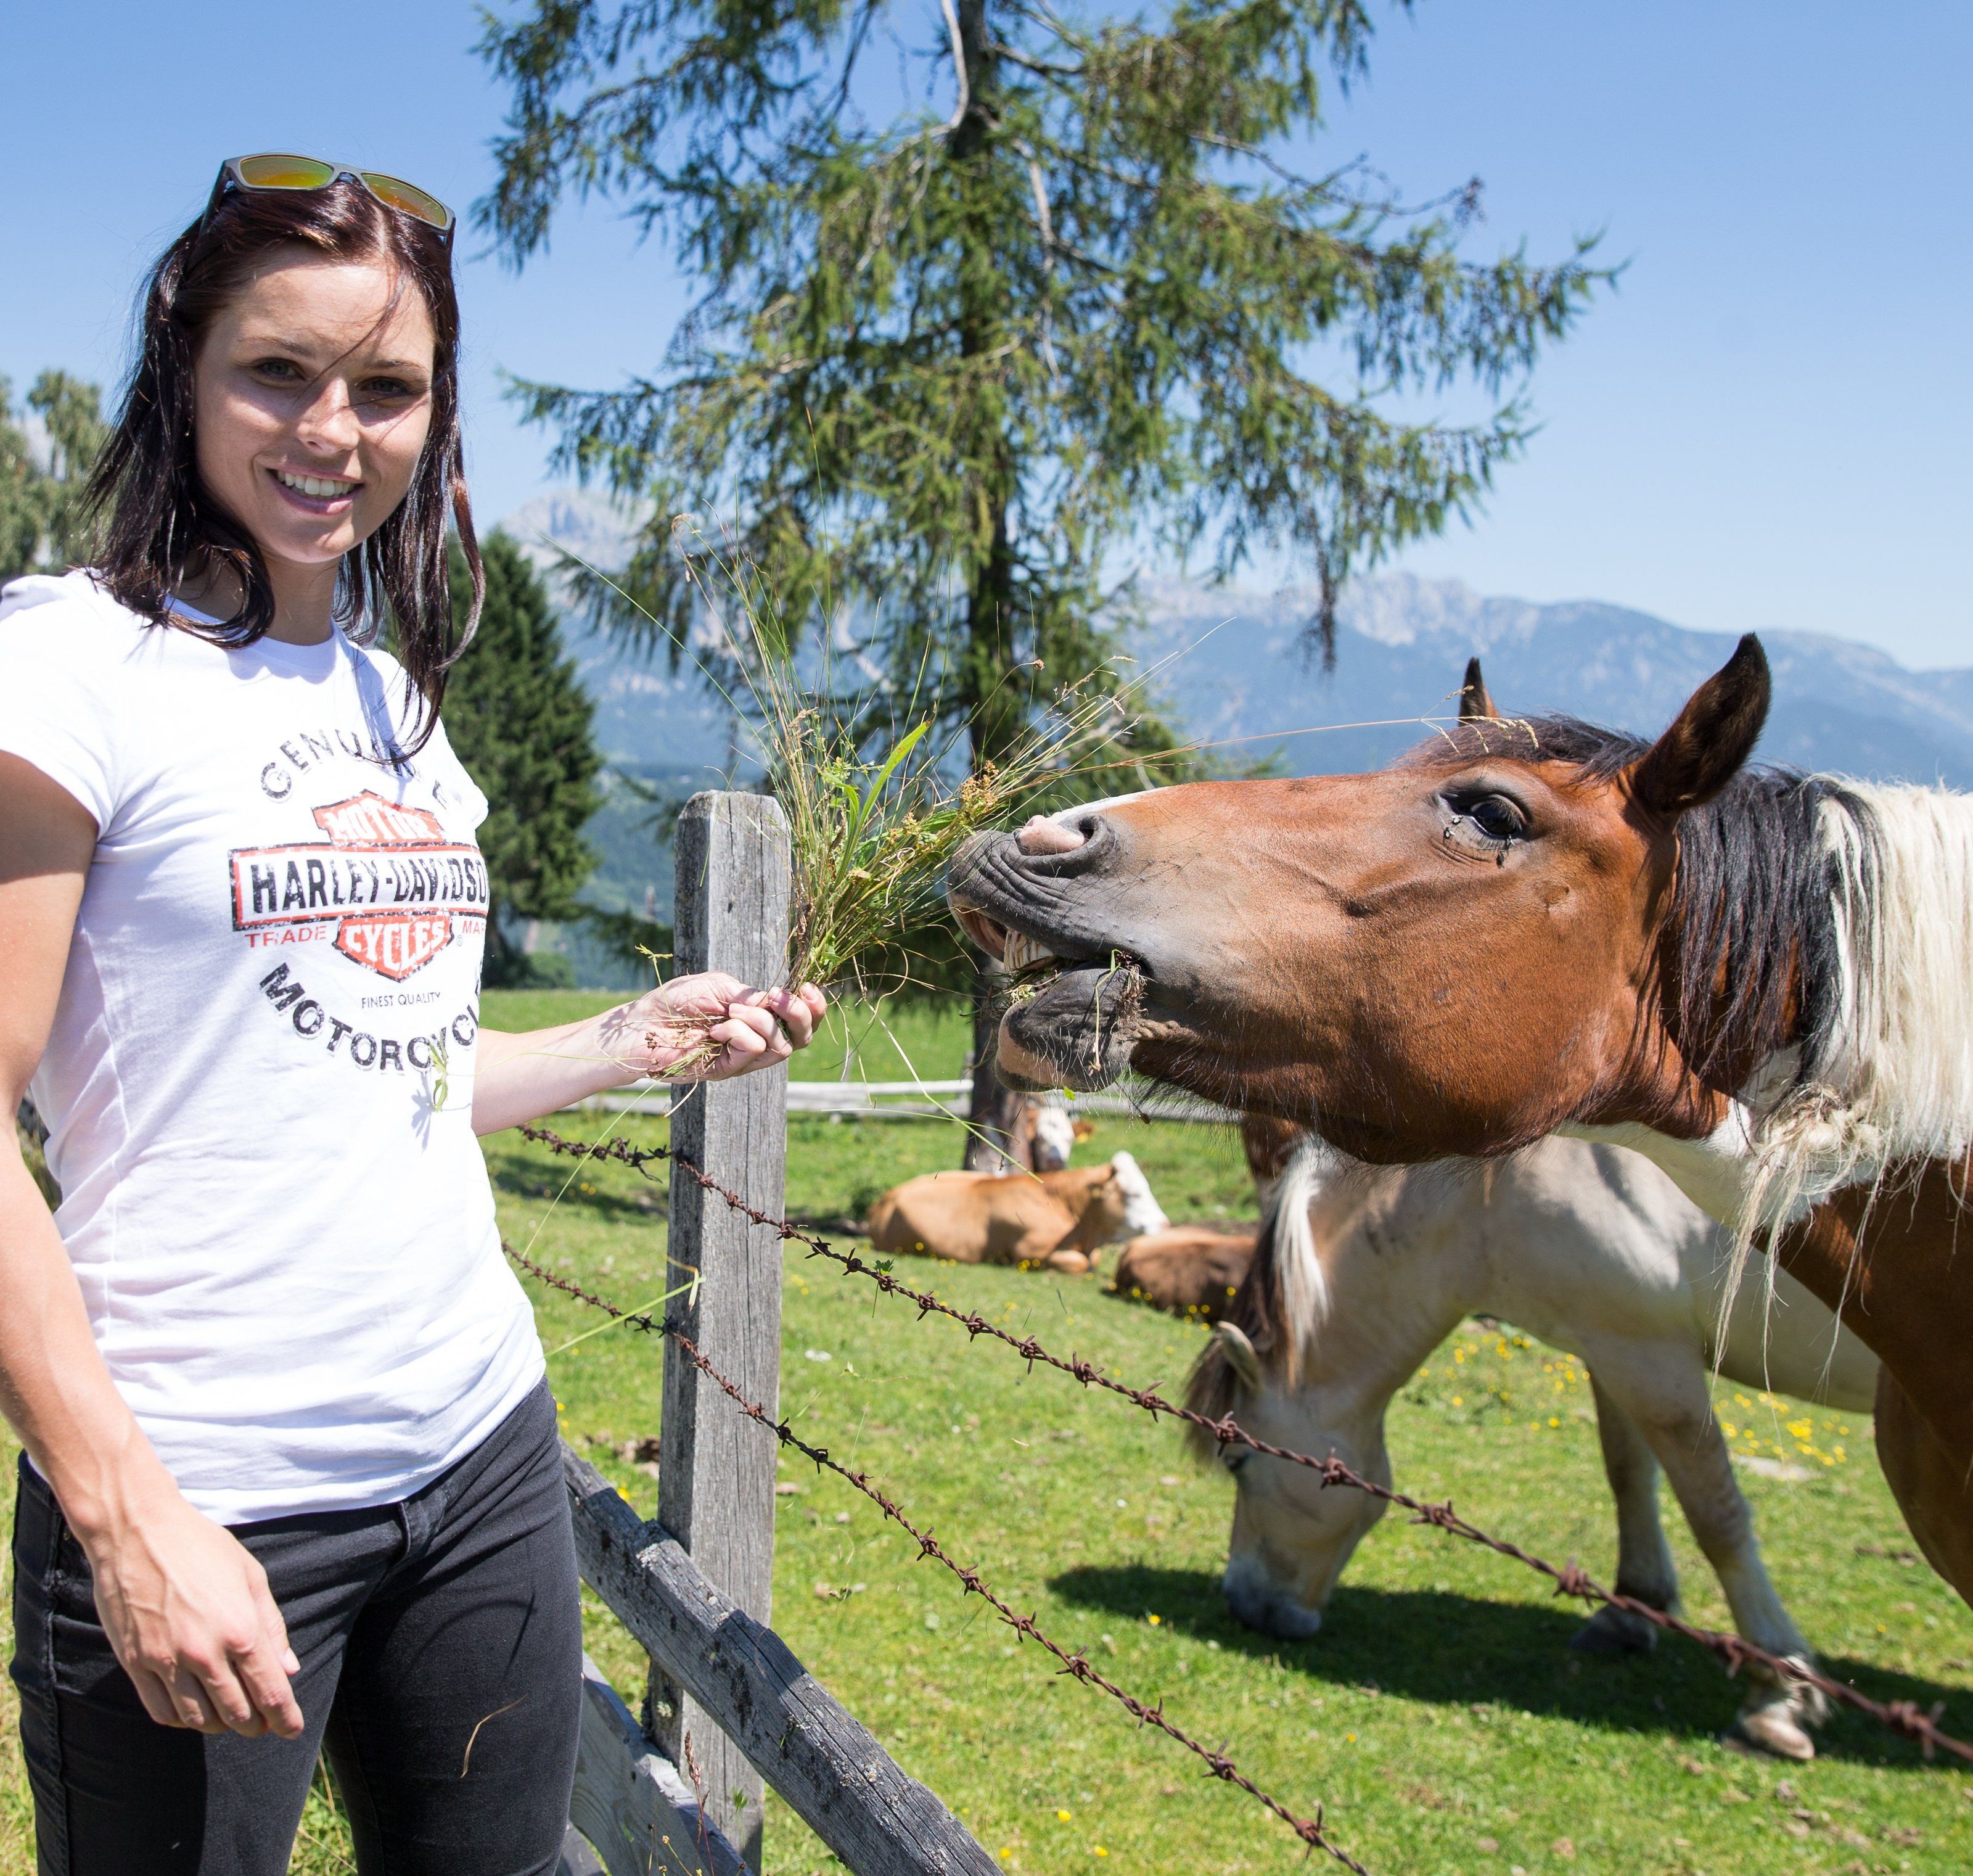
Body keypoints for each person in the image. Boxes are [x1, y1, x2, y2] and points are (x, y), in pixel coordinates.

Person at [0, 154, 826, 1876]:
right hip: (203, 1479)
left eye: (386, 388)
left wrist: (638, 1038)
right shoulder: (70, 665)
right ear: (184, 367)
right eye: (278, 371)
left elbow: (404, 1073)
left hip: (478, 1448)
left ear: (434, 417)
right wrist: (125, 1512)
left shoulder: (394, 699)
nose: (333, 428)